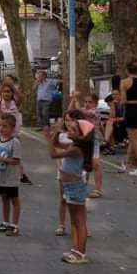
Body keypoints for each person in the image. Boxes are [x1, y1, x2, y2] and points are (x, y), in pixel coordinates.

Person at [45, 112, 95, 263]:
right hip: (69, 186)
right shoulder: (74, 145)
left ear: (82, 136)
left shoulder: (77, 149)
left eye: (73, 130)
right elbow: (58, 144)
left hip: (74, 186)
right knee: (74, 220)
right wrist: (56, 133)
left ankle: (81, 253)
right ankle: (76, 249)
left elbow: (53, 154)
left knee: (79, 221)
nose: (69, 132)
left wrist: (50, 136)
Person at [0, 113, 22, 236]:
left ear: (12, 128)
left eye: (5, 126)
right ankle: (5, 222)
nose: (1, 128)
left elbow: (17, 160)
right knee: (4, 199)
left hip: (10, 178)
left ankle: (14, 225)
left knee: (14, 200)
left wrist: (3, 159)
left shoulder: (15, 142)